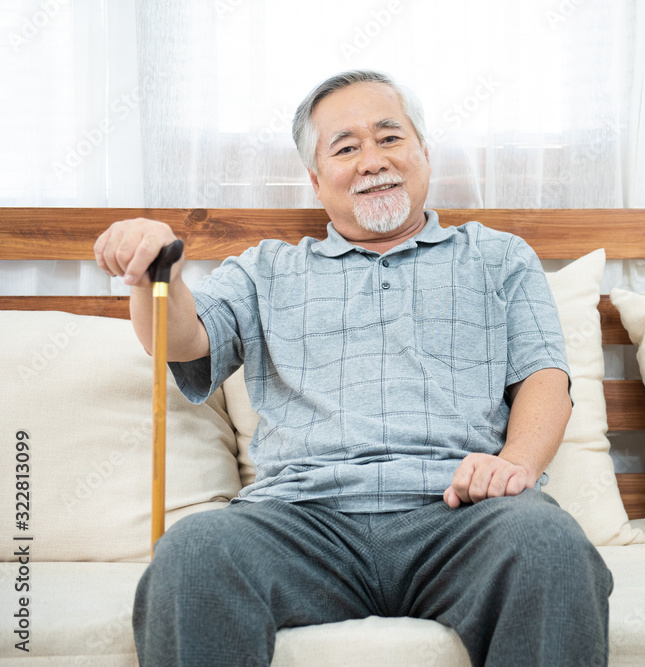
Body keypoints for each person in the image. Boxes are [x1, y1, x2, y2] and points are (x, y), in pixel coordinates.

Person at [93, 70, 613, 667]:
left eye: (390, 138)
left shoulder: (498, 257)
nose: (372, 160)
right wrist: (155, 268)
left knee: (548, 542)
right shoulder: (267, 269)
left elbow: (545, 378)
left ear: (424, 153)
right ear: (316, 181)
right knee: (192, 552)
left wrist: (515, 466)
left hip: (460, 515)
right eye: (346, 147)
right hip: (301, 522)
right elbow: (180, 339)